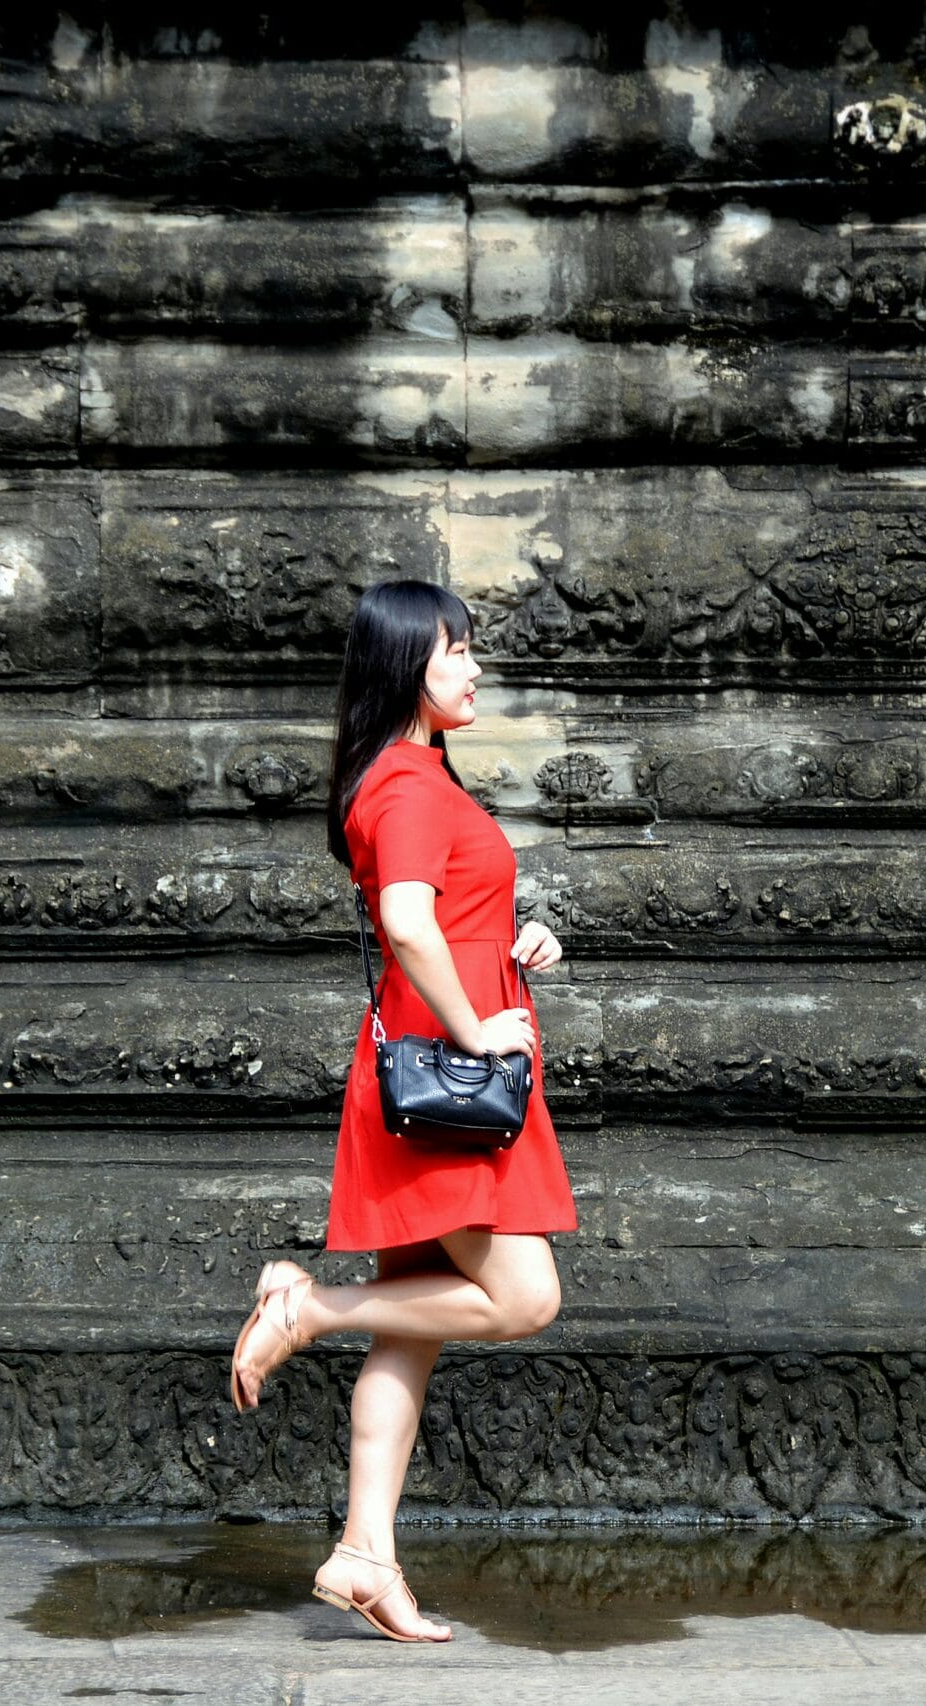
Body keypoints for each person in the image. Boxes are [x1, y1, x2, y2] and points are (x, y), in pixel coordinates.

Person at [226, 577, 577, 1644]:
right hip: (452, 1081)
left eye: (472, 649)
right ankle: (307, 1307)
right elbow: (406, 921)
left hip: (434, 1080)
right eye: (454, 650)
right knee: (522, 1297)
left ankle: (365, 1551)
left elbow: (443, 922)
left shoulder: (409, 775)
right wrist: (477, 1025)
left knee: (411, 1324)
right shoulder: (410, 785)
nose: (473, 666)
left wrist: (516, 945)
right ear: (401, 666)